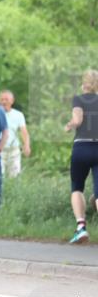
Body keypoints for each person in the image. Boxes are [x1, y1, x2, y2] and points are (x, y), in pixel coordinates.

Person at [65, 69, 98, 244]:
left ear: (84, 83)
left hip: (82, 147)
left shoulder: (79, 99)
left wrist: (69, 125)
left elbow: (77, 120)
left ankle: (81, 228)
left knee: (77, 187)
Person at [0, 90, 31, 178]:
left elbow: (24, 132)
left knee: (14, 176)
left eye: (6, 99)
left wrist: (26, 145)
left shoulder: (18, 115)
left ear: (12, 101)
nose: (4, 102)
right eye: (2, 99)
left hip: (14, 151)